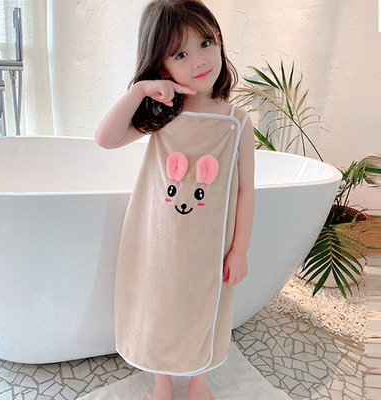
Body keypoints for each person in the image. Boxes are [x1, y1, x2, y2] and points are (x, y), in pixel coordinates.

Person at [94, 1, 255, 399]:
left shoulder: (237, 122)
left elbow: (245, 190)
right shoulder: (163, 112)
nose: (199, 60)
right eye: (180, 54)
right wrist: (140, 90)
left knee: (205, 310)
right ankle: (161, 381)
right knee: (160, 310)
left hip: (210, 248)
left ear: (219, 41)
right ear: (162, 66)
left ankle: (199, 383)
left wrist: (239, 250)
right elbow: (105, 138)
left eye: (205, 43)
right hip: (159, 245)